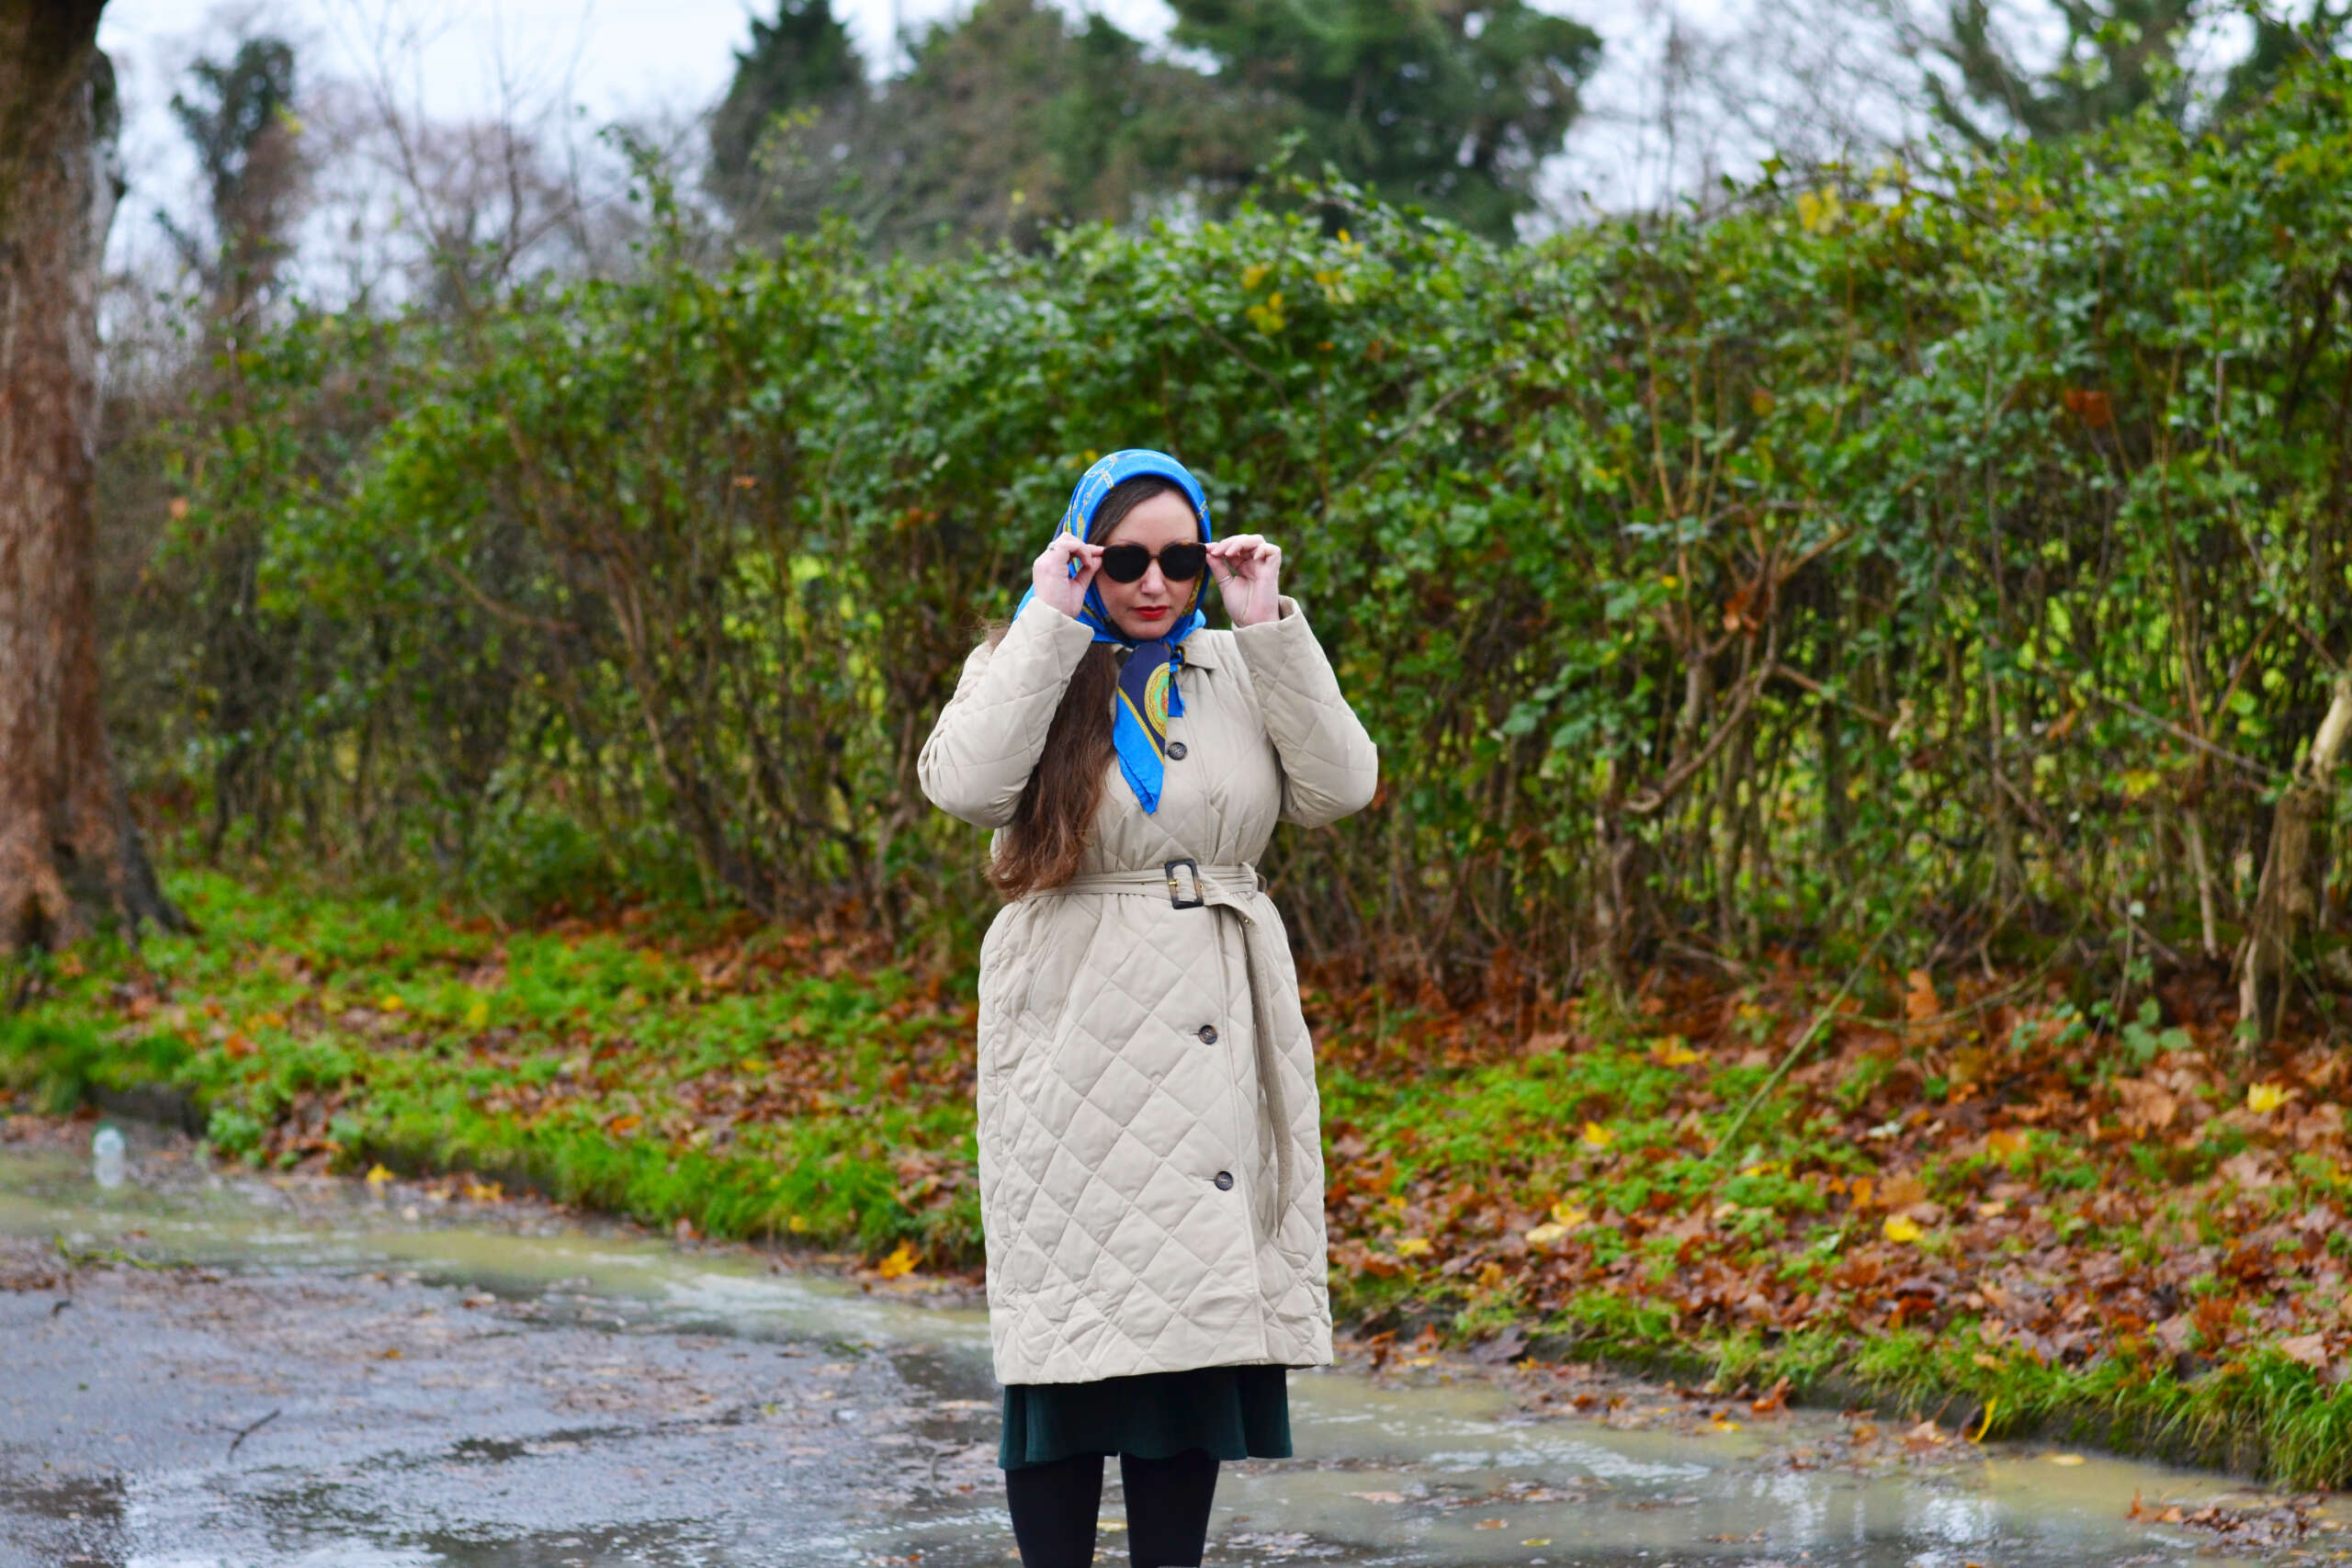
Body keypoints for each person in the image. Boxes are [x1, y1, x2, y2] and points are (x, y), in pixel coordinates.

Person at [918, 449, 1378, 1567]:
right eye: (1124, 558)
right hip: (1071, 1027)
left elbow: (1341, 789)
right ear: (1086, 554)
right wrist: (1048, 616)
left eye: (1179, 558)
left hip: (1214, 1020)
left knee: (1189, 1350)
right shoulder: (1032, 659)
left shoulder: (1236, 666)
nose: (1154, 582)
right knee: (1071, 1346)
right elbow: (965, 785)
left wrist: (1268, 624)